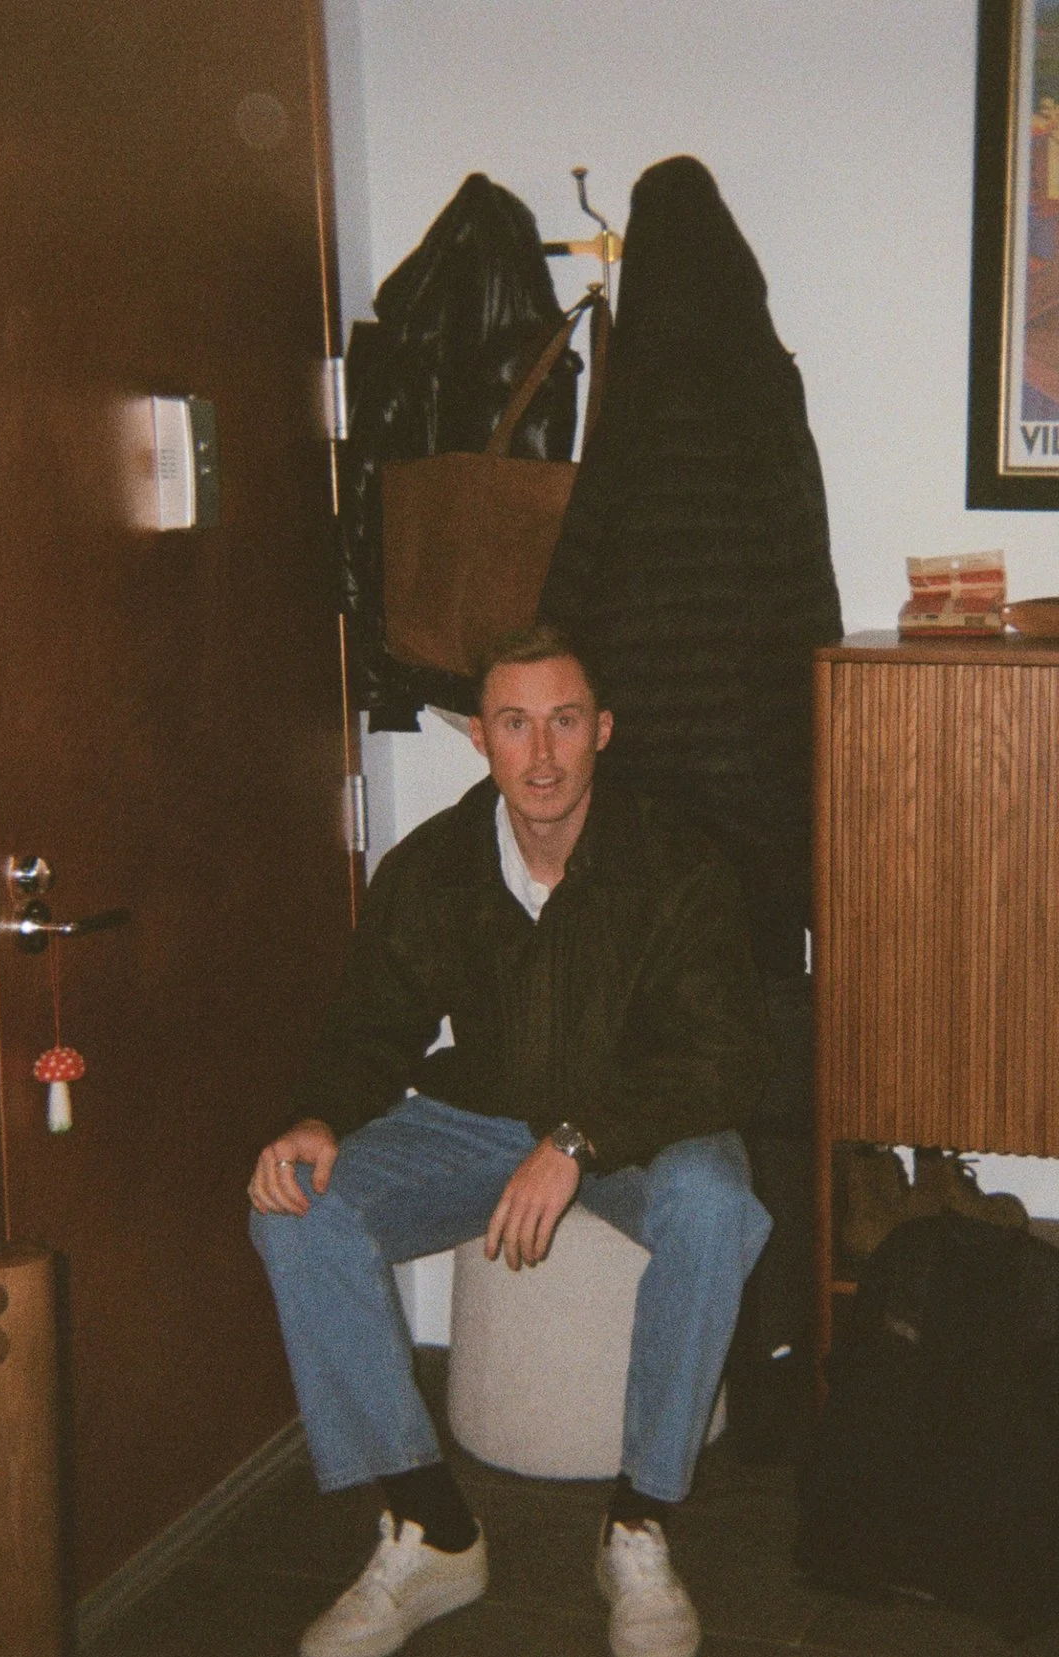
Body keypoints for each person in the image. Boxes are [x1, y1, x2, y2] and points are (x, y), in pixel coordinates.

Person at [248, 624, 772, 1657]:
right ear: (480, 738)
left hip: (639, 1125)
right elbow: (369, 1026)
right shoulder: (432, 866)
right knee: (296, 1206)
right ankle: (432, 1524)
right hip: (480, 1116)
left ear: (603, 731)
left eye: (564, 721)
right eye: (515, 724)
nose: (541, 754)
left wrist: (580, 1139)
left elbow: (724, 1058)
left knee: (718, 1204)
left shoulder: (676, 862)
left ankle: (639, 1520)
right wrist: (314, 1117)